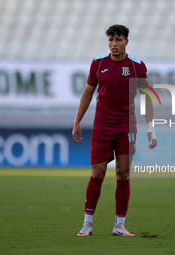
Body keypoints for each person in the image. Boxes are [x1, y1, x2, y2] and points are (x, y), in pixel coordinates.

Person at [72, 24, 157, 236]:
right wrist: (77, 121)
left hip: (126, 127)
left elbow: (147, 98)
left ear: (126, 42)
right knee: (97, 172)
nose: (114, 44)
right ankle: (87, 223)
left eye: (118, 40)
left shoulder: (137, 66)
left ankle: (119, 225)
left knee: (123, 174)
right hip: (101, 126)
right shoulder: (98, 63)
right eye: (111, 39)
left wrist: (151, 127)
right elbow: (87, 93)